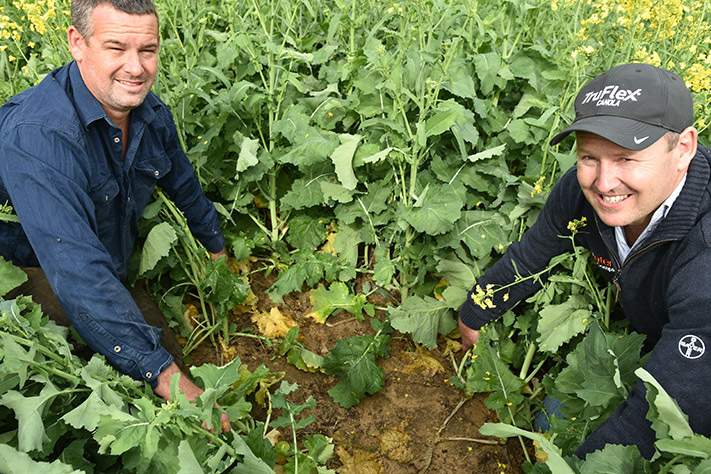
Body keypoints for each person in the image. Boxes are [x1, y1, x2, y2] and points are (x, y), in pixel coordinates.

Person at [458, 63, 709, 458]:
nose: (604, 183)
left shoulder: (705, 245)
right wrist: (475, 310)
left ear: (683, 149)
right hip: (646, 339)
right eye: (589, 157)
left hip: (697, 364)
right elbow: (533, 254)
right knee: (551, 425)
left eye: (627, 159)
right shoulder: (582, 190)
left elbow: (678, 399)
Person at [0, 0, 227, 426]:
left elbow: (182, 180)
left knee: (154, 347)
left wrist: (216, 248)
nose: (136, 68)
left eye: (147, 50)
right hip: (24, 270)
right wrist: (169, 379)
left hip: (94, 261)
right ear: (77, 43)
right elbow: (77, 271)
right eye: (116, 48)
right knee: (152, 381)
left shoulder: (149, 113)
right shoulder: (39, 136)